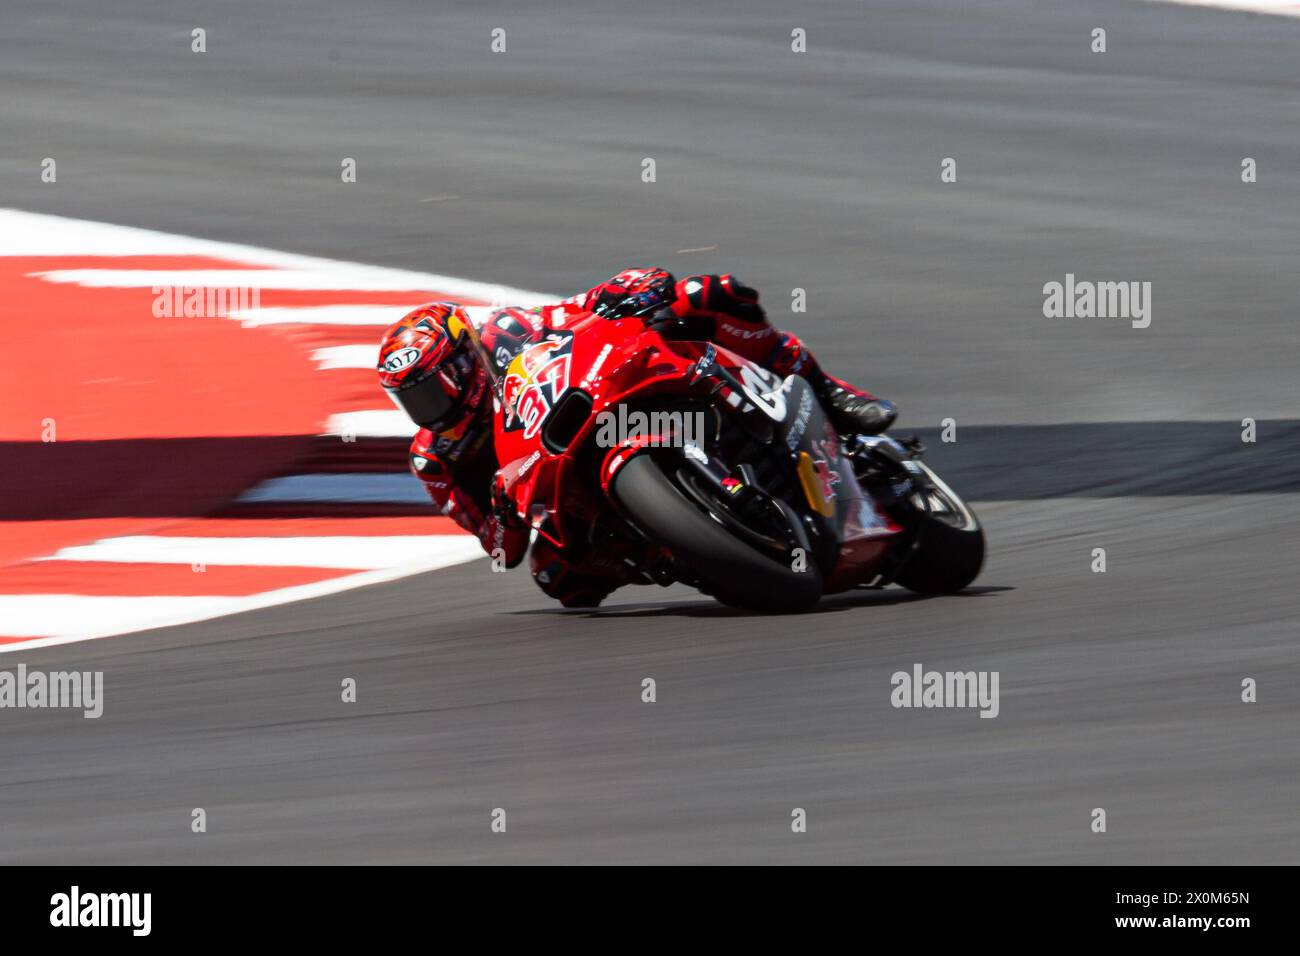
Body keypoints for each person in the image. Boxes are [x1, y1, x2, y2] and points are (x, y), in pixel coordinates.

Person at [377, 268, 897, 607]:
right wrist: (503, 516)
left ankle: (830, 392)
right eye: (418, 400)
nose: (435, 406)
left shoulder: (506, 331)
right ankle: (686, 555)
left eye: (439, 384)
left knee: (707, 296)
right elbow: (499, 551)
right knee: (559, 580)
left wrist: (627, 290)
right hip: (557, 483)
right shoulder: (436, 462)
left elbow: (573, 310)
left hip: (598, 399)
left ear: (467, 355)